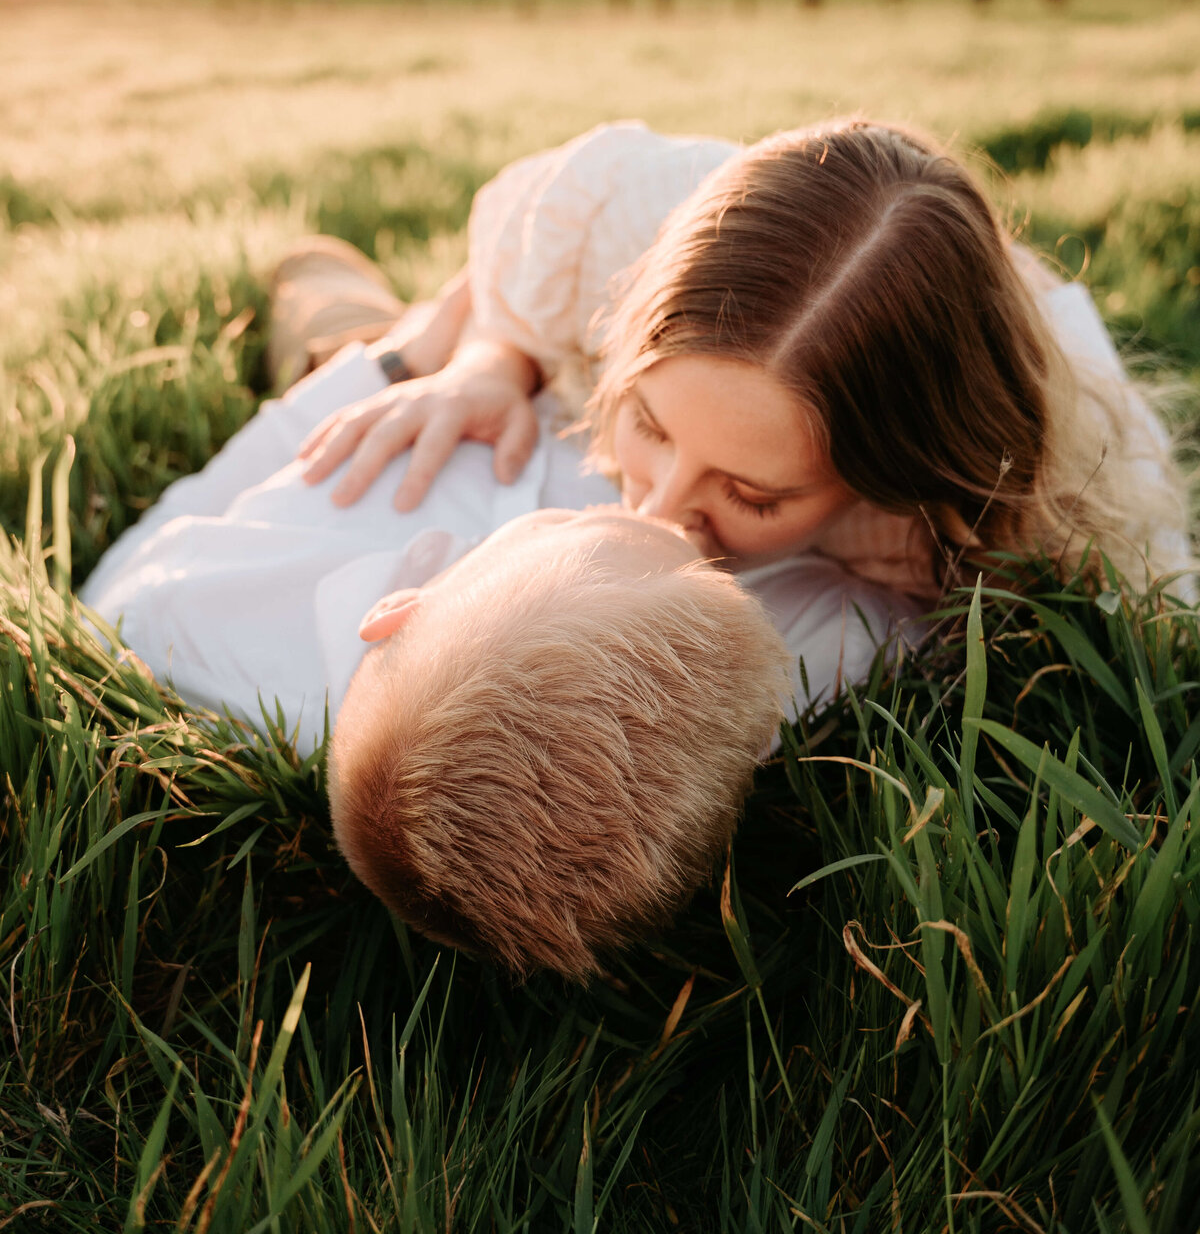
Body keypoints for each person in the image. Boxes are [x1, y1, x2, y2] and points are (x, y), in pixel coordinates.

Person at [82, 340, 915, 976]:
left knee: (325, 296)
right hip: (521, 379)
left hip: (393, 375)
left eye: (588, 529)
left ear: (400, 608)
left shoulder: (171, 621)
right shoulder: (777, 666)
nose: (666, 518)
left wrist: (402, 359)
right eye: (695, 568)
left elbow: (219, 494)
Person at [292, 119, 1190, 599]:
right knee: (393, 357)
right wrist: (494, 365)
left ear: (900, 469)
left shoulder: (1071, 519)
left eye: (753, 494)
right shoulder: (622, 213)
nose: (654, 511)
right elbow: (513, 275)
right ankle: (326, 298)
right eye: (648, 425)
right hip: (537, 305)